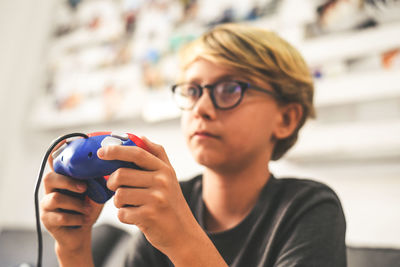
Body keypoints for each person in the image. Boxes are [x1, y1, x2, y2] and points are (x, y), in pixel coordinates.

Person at [40, 23, 346, 267]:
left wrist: (180, 237)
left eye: (229, 89)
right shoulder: (173, 201)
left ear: (286, 119)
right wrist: (74, 251)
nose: (201, 107)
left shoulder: (308, 208)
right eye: (193, 90)